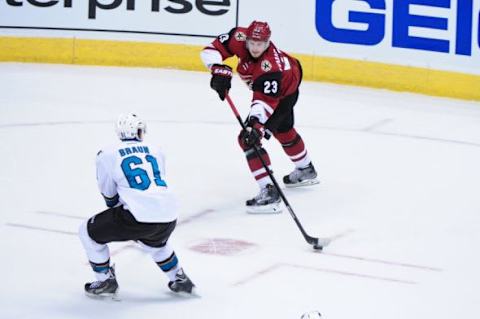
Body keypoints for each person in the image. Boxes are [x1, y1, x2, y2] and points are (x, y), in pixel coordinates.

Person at [200, 20, 319, 214]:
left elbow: (263, 103)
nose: (256, 48)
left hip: (284, 94)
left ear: (268, 42)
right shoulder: (238, 37)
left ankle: (269, 191)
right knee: (284, 131)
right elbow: (210, 50)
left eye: (260, 44)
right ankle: (306, 169)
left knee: (248, 139)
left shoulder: (270, 67)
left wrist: (256, 126)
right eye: (252, 43)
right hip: (288, 80)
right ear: (246, 38)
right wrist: (217, 69)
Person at [79, 113, 195, 298]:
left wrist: (116, 205)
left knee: (87, 231)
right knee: (156, 242)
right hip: (169, 214)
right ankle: (179, 278)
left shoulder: (107, 154)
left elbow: (108, 192)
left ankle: (104, 280)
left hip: (137, 217)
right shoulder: (156, 149)